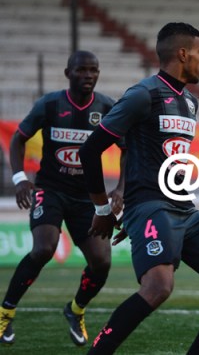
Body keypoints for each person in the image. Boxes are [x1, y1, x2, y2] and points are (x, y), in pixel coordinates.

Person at [78, 23, 199, 354]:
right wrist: (104, 210)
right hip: (151, 206)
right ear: (182, 53)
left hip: (183, 209)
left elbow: (143, 153)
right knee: (158, 286)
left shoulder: (190, 102)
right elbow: (91, 149)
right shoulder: (142, 95)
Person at [0, 51, 125, 347]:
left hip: (88, 197)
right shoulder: (51, 104)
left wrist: (120, 189)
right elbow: (18, 139)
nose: (88, 76)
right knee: (44, 248)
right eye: (81, 70)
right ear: (68, 73)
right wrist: (20, 179)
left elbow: (127, 148)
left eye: (94, 70)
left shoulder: (107, 107)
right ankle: (5, 311)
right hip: (51, 189)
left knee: (101, 261)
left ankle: (75, 309)